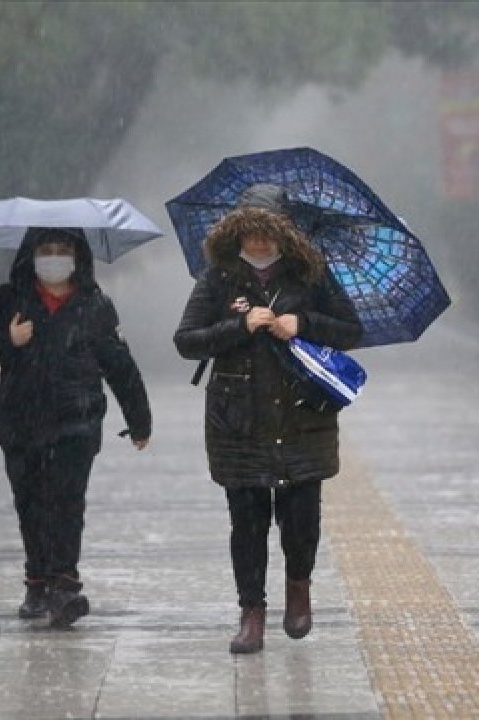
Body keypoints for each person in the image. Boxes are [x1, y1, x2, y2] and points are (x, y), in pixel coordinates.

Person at [173, 185, 362, 654]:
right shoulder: (218, 278)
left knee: (302, 519)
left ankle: (299, 589)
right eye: (249, 233)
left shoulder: (311, 276)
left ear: (284, 234)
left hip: (303, 418)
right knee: (248, 522)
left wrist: (304, 323)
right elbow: (187, 340)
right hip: (238, 422)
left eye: (266, 233)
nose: (257, 243)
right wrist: (241, 326)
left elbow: (351, 330)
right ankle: (251, 613)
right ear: (235, 234)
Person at [0, 227, 152, 628]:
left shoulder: (93, 304)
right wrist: (7, 339)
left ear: (77, 256)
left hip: (76, 422)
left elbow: (120, 365)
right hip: (20, 422)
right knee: (30, 503)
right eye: (45, 250)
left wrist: (139, 420)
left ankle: (65, 583)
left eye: (62, 250)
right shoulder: (9, 298)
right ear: (30, 255)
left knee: (67, 502)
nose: (54, 258)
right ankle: (38, 580)